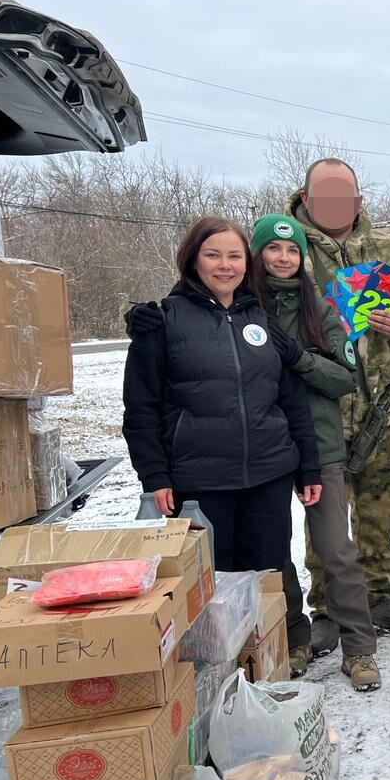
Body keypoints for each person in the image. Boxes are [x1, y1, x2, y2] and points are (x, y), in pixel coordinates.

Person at [285, 158, 390, 649]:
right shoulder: (290, 251)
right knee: (323, 515)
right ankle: (326, 605)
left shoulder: (389, 251)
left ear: (358, 202)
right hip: (319, 410)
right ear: (306, 199)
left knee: (379, 508)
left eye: (343, 196)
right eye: (323, 196)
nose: (334, 205)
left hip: (383, 406)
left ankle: (379, 593)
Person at [122, 215, 322, 577]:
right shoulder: (162, 321)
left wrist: (308, 465)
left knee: (267, 582)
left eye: (235, 256)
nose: (225, 266)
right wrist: (154, 475)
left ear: (248, 263)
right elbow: (141, 408)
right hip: (199, 484)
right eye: (213, 255)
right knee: (210, 587)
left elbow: (291, 399)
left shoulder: (260, 318)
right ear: (193, 259)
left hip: (269, 476)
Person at [249, 214, 381, 692]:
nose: (283, 258)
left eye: (292, 251)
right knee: (272, 553)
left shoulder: (321, 311)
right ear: (258, 254)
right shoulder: (242, 307)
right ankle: (295, 637)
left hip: (320, 446)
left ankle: (359, 647)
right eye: (273, 250)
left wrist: (298, 356)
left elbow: (346, 377)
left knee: (336, 550)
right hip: (260, 448)